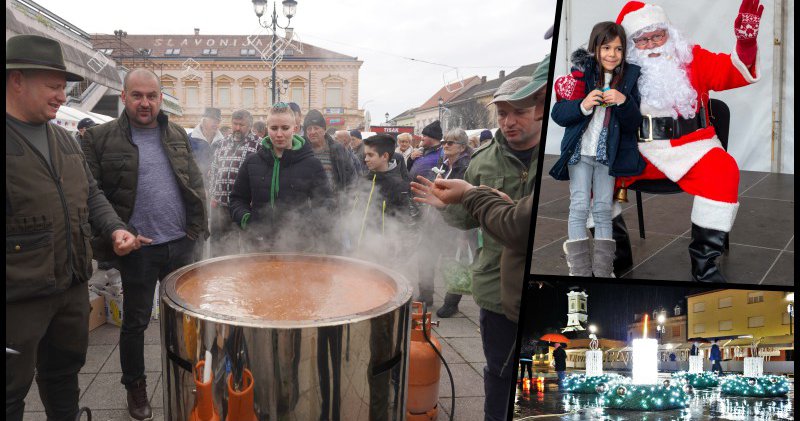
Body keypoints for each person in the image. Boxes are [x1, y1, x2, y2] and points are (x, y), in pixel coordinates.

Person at [6, 34, 141, 421]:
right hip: (18, 297)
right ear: (17, 80)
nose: (61, 97)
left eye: (63, 88)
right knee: (9, 391)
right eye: (52, 86)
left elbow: (92, 193)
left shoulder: (65, 140)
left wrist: (115, 228)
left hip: (71, 285)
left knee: (64, 373)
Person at [412, 57, 548, 421]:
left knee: (545, 378)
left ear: (538, 108)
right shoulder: (484, 161)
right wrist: (445, 205)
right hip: (494, 287)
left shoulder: (556, 158)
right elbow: (465, 218)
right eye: (502, 113)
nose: (508, 122)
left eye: (517, 112)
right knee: (499, 374)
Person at [81, 68, 208, 420]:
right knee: (135, 323)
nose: (145, 103)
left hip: (181, 244)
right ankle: (135, 387)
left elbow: (194, 183)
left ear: (160, 98)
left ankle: (191, 377)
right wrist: (116, 233)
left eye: (151, 96)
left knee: (187, 319)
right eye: (137, 95)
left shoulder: (176, 132)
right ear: (124, 97)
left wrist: (197, 231)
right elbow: (93, 197)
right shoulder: (99, 138)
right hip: (139, 250)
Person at [610, 0, 763, 282]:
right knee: (591, 177)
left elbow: (731, 70)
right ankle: (616, 257)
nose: (653, 44)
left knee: (724, 170)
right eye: (643, 40)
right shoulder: (618, 71)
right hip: (637, 151)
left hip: (693, 146)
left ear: (670, 33)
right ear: (630, 44)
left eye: (658, 36)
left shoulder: (692, 57)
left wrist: (746, 44)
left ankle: (705, 267)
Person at [550, 21, 644, 278]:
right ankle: (579, 270)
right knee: (579, 206)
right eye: (606, 48)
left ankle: (604, 271)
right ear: (595, 48)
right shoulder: (580, 74)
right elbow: (558, 113)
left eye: (618, 49)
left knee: (603, 208)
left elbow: (634, 122)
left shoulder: (630, 77)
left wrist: (623, 102)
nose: (612, 54)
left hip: (607, 155)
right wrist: (583, 105)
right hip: (580, 152)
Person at [229, 103, 333, 252]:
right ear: (267, 129)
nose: (279, 134)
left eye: (285, 128)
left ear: (295, 129)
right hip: (257, 245)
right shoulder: (252, 161)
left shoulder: (312, 164)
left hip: (298, 247)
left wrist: (306, 226)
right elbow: (237, 199)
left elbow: (325, 203)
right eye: (274, 128)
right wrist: (246, 220)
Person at [351, 134, 418, 257]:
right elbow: (353, 214)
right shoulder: (361, 181)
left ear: (385, 156)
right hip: (359, 249)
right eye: (365, 155)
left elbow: (405, 222)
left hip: (385, 254)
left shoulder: (398, 186)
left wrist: (400, 252)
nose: (365, 159)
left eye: (370, 155)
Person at [435, 128, 477, 319]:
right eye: (444, 142)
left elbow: (467, 201)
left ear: (461, 147)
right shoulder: (444, 163)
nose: (445, 146)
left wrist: (464, 234)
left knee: (457, 260)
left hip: (459, 221)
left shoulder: (467, 166)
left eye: (449, 143)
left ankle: (451, 303)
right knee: (447, 259)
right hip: (443, 218)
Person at [207, 109, 261, 257]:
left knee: (244, 246)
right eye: (235, 124)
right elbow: (214, 170)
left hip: (244, 207)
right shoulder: (222, 144)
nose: (237, 128)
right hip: (221, 206)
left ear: (249, 126)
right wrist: (213, 194)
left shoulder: (258, 145)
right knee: (219, 245)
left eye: (241, 125)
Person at [188, 107, 224, 182]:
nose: (216, 124)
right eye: (213, 121)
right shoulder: (189, 138)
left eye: (218, 122)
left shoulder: (222, 141)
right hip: (195, 183)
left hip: (215, 184)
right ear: (203, 121)